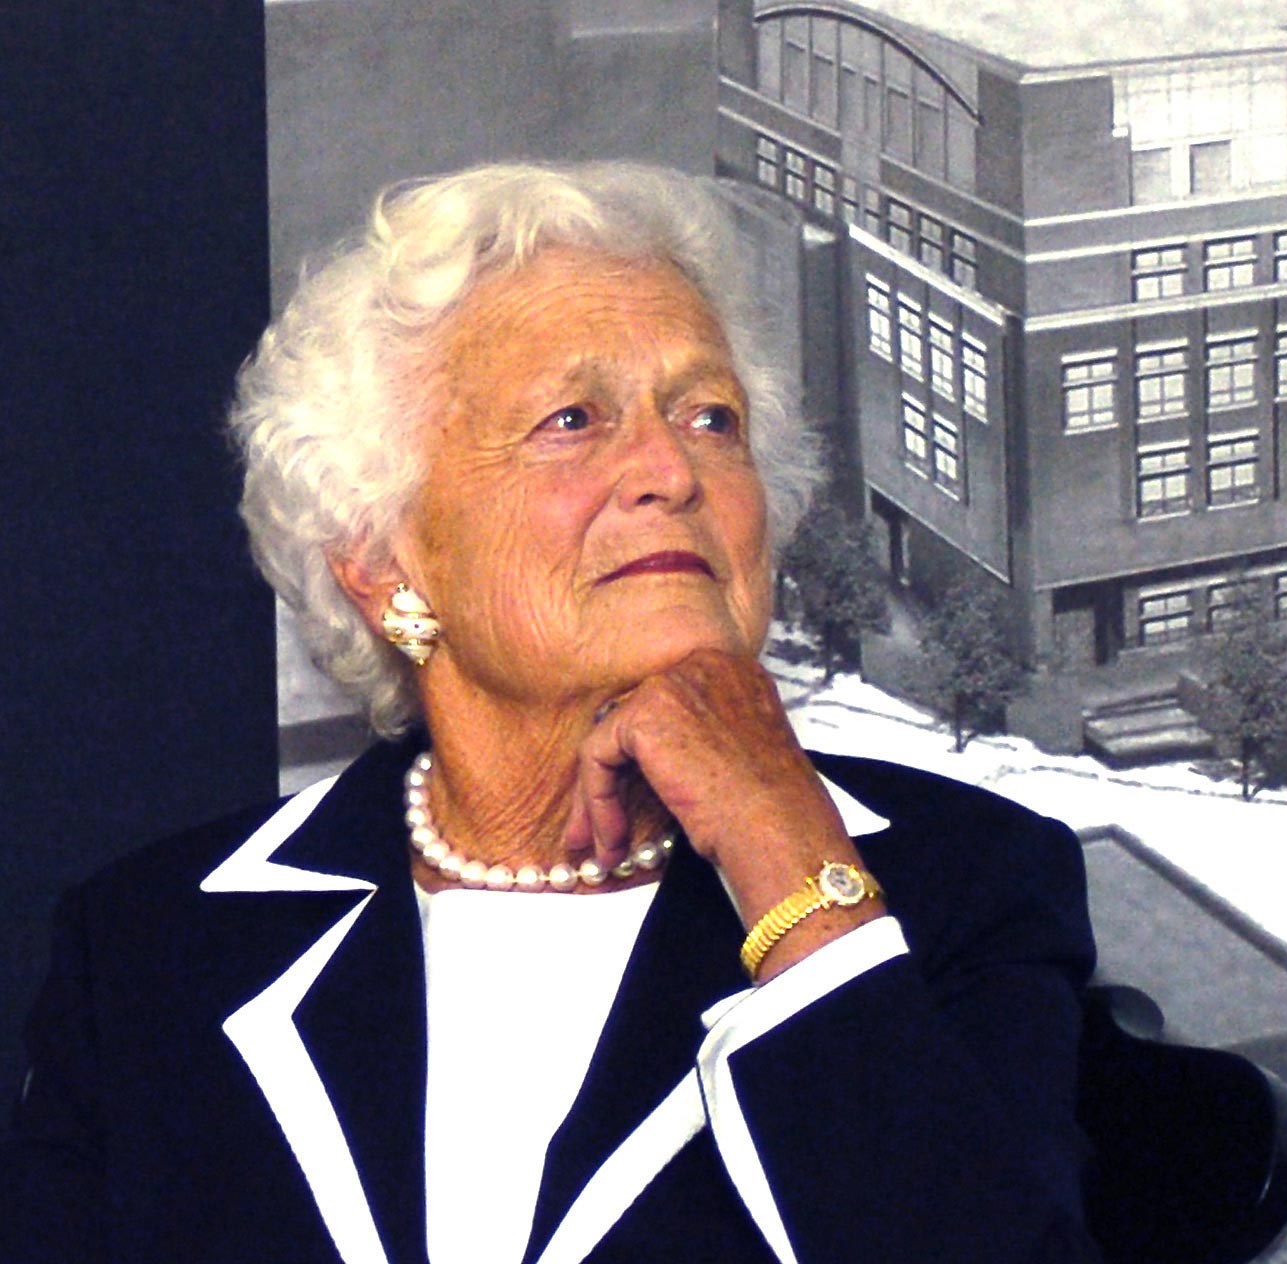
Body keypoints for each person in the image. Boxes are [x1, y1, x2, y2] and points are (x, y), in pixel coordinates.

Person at [3, 162, 1100, 1264]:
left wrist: (786, 857)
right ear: (384, 565)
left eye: (710, 417)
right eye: (571, 420)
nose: (669, 468)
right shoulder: (154, 946)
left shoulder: (966, 886)